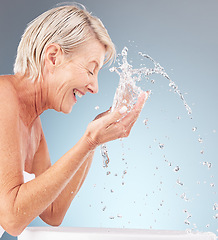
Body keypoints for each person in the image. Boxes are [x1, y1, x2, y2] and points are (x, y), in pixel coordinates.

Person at [0, 4, 148, 237]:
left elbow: (52, 211)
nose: (95, 87)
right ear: (53, 57)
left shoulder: (32, 125)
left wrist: (94, 142)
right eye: (91, 71)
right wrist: (88, 141)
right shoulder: (2, 96)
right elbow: (11, 218)